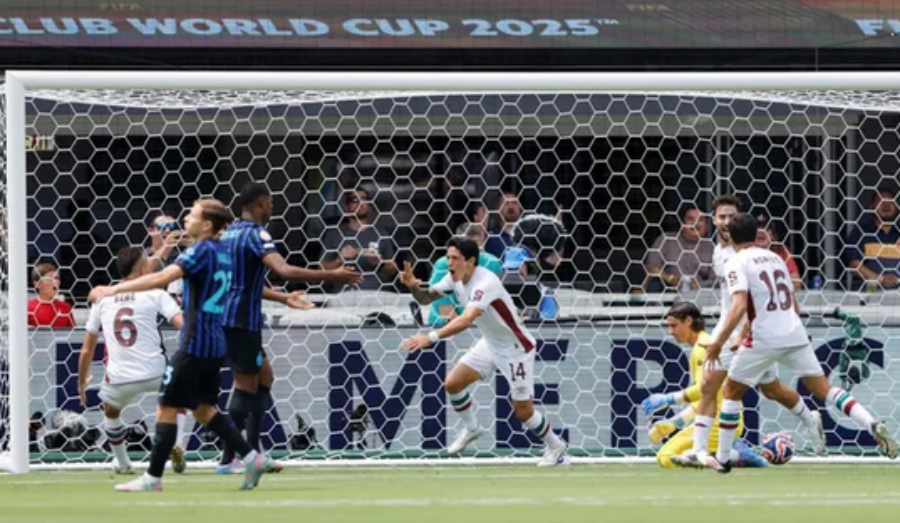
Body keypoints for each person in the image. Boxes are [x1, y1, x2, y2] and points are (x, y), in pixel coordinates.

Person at [89, 199, 271, 492]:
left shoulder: (200, 251)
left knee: (166, 406)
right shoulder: (223, 252)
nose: (186, 218)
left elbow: (161, 277)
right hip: (215, 342)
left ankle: (152, 479)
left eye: (193, 214)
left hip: (194, 343)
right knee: (202, 409)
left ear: (207, 224)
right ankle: (251, 456)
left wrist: (111, 289)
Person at [701, 213, 899, 472]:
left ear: (729, 235)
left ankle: (723, 459)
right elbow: (791, 301)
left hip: (764, 338)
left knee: (730, 391)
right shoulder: (775, 258)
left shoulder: (736, 262)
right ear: (755, 233)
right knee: (825, 389)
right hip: (794, 332)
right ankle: (872, 423)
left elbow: (739, 305)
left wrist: (719, 342)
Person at [662, 196, 824, 467]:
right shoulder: (717, 252)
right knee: (708, 385)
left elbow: (751, 301)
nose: (725, 222)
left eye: (730, 217)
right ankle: (699, 451)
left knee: (771, 390)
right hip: (730, 329)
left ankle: (810, 419)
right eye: (721, 217)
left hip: (753, 333)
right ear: (713, 220)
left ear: (738, 220)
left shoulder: (747, 254)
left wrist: (741, 334)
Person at [216, 182, 362, 474]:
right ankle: (230, 460)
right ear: (258, 204)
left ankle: (253, 452)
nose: (272, 207)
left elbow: (243, 283)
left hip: (235, 317)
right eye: (269, 202)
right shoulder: (256, 234)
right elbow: (282, 270)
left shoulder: (229, 233)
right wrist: (329, 274)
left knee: (264, 378)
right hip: (241, 321)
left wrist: (284, 297)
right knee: (245, 386)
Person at [400, 237, 568, 466]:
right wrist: (411, 286)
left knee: (523, 412)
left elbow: (467, 319)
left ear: (470, 261)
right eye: (448, 257)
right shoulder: (454, 278)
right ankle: (472, 428)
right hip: (490, 342)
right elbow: (425, 297)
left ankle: (555, 445)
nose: (449, 263)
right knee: (453, 384)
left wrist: (430, 337)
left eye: (455, 258)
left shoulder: (485, 283)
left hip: (515, 347)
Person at [78, 247, 187, 474]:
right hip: (156, 371)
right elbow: (183, 326)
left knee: (110, 410)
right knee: (179, 400)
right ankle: (177, 445)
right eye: (148, 261)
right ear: (141, 268)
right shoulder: (156, 294)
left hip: (120, 377)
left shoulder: (102, 299)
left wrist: (81, 382)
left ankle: (123, 463)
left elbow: (87, 350)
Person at [645, 302, 767, 469]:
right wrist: (675, 422)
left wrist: (668, 399)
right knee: (667, 458)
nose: (671, 332)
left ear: (688, 321)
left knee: (666, 458)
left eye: (674, 326)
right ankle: (726, 451)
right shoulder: (701, 345)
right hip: (715, 418)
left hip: (718, 421)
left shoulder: (703, 348)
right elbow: (706, 398)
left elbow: (704, 390)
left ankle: (737, 455)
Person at [320, 187, 398, 291]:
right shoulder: (333, 233)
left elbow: (393, 270)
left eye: (365, 200)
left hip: (376, 294)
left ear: (370, 206)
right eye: (355, 200)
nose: (360, 203)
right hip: (342, 295)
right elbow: (321, 270)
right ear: (346, 207)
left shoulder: (381, 233)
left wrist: (380, 263)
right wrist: (340, 259)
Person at [427, 223, 502, 328]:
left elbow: (495, 305)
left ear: (482, 237)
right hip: (446, 327)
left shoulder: (492, 263)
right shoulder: (444, 264)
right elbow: (445, 311)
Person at [644, 204, 715, 290]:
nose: (695, 223)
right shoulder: (666, 240)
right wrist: (670, 278)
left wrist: (698, 287)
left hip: (699, 297)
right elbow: (652, 268)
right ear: (682, 223)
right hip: (668, 294)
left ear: (707, 226)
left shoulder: (712, 248)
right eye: (690, 219)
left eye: (700, 220)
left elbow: (714, 280)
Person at [845, 185, 900, 290]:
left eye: (890, 202)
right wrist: (881, 279)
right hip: (869, 295)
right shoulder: (860, 233)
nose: (886, 205)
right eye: (881, 201)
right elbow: (854, 264)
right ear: (872, 207)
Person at [754, 213, 801, 290]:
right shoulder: (746, 251)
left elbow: (796, 282)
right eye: (757, 228)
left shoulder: (780, 250)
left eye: (767, 228)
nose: (761, 231)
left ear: (773, 235)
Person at [28, 261, 75, 328]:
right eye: (50, 278)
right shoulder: (28, 309)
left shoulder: (65, 308)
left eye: (56, 278)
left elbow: (72, 335)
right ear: (37, 284)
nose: (55, 282)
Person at [484, 191, 522, 259]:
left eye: (514, 203)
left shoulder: (527, 234)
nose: (511, 207)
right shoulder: (491, 238)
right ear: (498, 209)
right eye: (506, 203)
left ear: (520, 208)